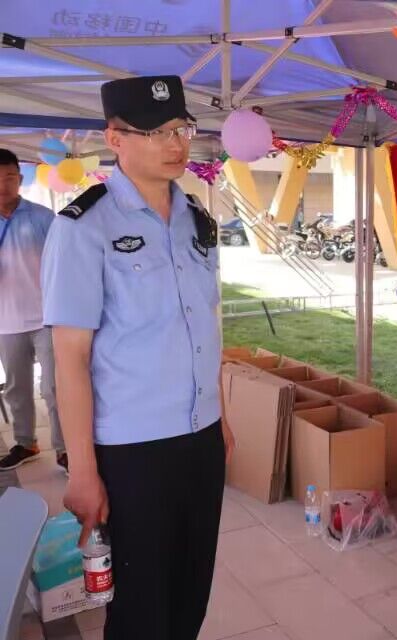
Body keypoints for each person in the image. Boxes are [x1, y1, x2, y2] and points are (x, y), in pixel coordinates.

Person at [41, 75, 233, 640]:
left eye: (180, 129)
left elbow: (205, 328)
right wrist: (83, 470)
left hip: (201, 436)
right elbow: (69, 359)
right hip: (132, 449)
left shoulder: (197, 219)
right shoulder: (83, 227)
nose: (174, 143)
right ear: (115, 138)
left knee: (192, 591)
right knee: (140, 607)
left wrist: (221, 418)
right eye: (155, 132)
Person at [0, 149, 66, 472]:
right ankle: (26, 443)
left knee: (54, 388)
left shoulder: (43, 217)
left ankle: (65, 449)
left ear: (20, 179)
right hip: (5, 321)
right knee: (17, 389)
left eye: (10, 177)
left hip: (46, 318)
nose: (3, 185)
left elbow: (63, 263)